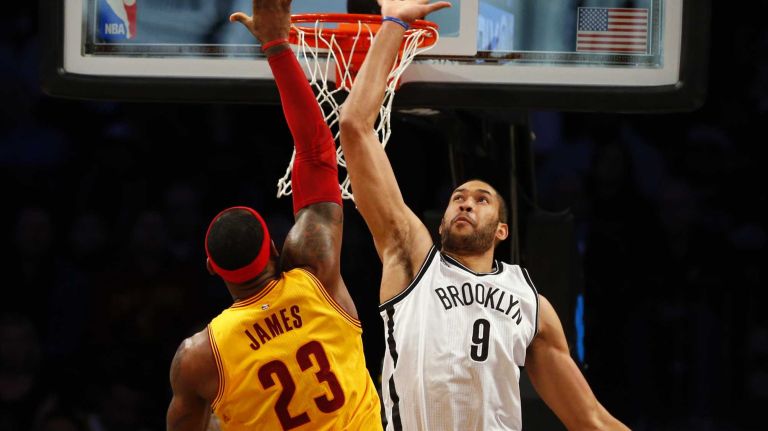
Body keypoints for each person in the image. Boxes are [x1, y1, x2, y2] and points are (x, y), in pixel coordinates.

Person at [338, 0, 630, 429]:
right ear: (440, 222)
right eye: (458, 197)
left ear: (502, 230)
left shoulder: (530, 304)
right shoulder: (413, 259)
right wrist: (395, 23)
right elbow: (354, 127)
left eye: (481, 199)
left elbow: (590, 419)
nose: (466, 202)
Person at [165, 1, 382, 430]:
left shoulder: (199, 357)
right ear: (276, 247)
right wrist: (277, 45)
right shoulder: (316, 273)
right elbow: (317, 151)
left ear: (212, 268)